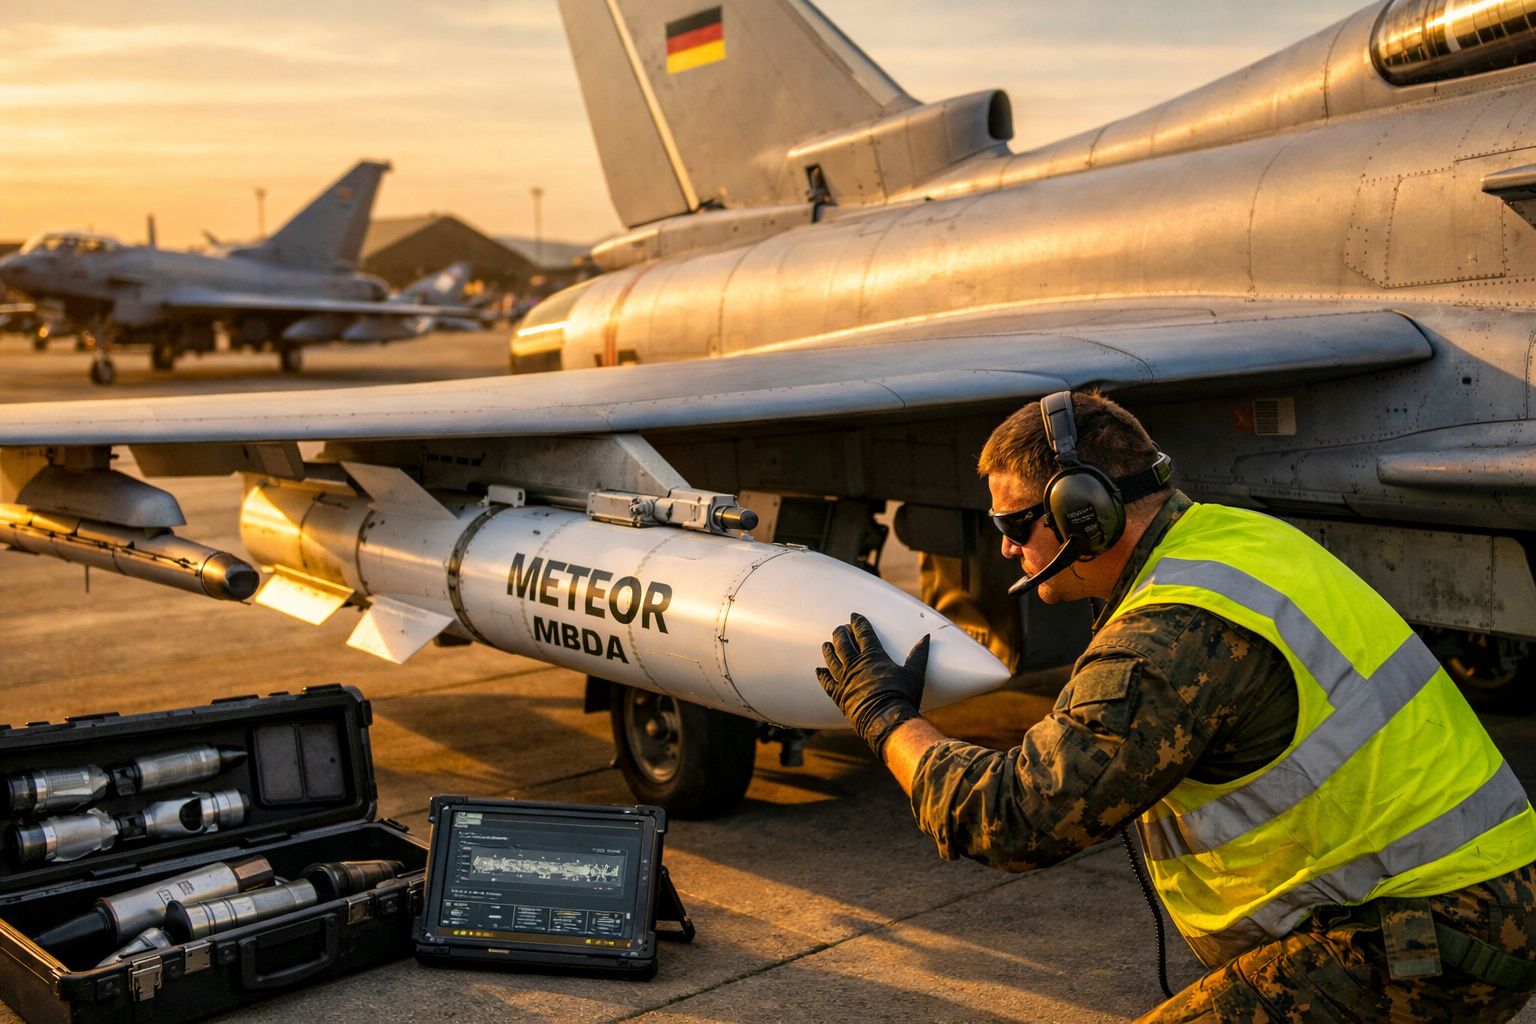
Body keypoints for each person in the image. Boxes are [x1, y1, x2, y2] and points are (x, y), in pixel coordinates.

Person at [818, 390, 1536, 1022]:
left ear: (1084, 513)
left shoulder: (1171, 637)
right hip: (1466, 906)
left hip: (1424, 939)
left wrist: (884, 714)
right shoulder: (1237, 539)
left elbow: (1013, 817)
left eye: (1013, 528)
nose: (1005, 551)